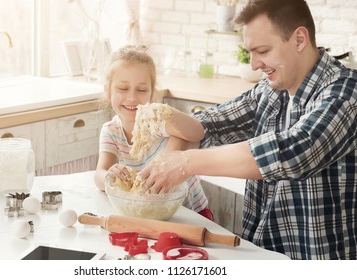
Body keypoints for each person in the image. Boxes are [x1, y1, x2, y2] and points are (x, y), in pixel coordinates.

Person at [139, 0, 357, 260]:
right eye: (250, 52)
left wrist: (184, 162)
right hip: (260, 255)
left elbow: (294, 151)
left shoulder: (346, 93)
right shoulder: (270, 91)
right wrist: (161, 127)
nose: (254, 64)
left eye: (262, 51)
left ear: (299, 39)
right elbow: (204, 127)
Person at [94, 45, 213, 220]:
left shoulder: (158, 122)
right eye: (123, 88)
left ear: (151, 94)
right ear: (108, 91)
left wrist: (169, 113)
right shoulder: (111, 131)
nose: (132, 97)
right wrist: (108, 177)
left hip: (190, 213)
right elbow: (99, 174)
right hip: (150, 214)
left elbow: (197, 133)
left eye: (141, 90)